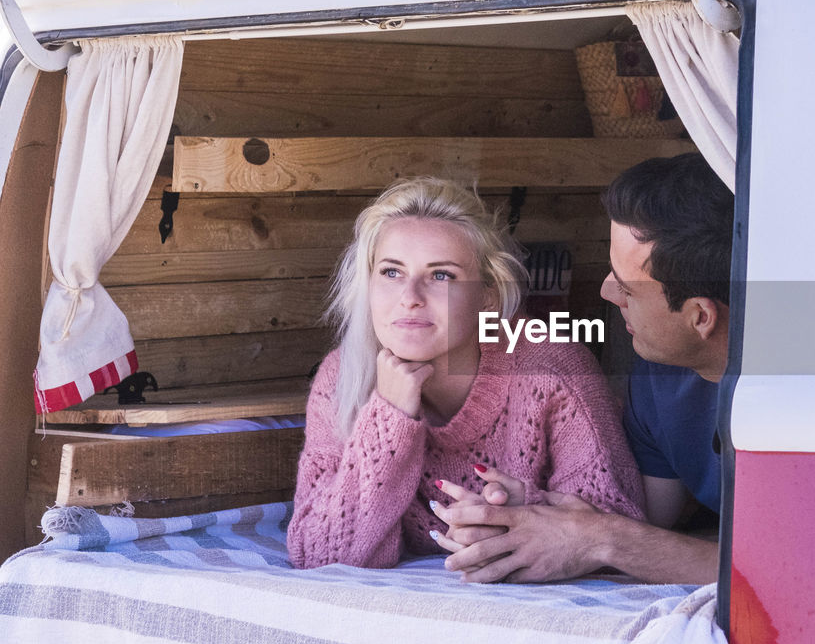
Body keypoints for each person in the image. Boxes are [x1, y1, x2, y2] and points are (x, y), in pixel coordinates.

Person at [287, 177, 645, 570]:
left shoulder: (551, 367)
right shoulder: (344, 374)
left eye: (441, 275)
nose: (409, 297)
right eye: (391, 272)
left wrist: (519, 516)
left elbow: (620, 530)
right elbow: (319, 556)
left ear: (487, 297)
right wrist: (389, 416)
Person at [433, 153, 733, 584]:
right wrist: (532, 509)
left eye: (627, 288)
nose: (607, 291)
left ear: (700, 317)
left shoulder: (808, 396)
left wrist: (599, 538)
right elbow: (653, 530)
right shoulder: (660, 374)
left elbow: (789, 571)